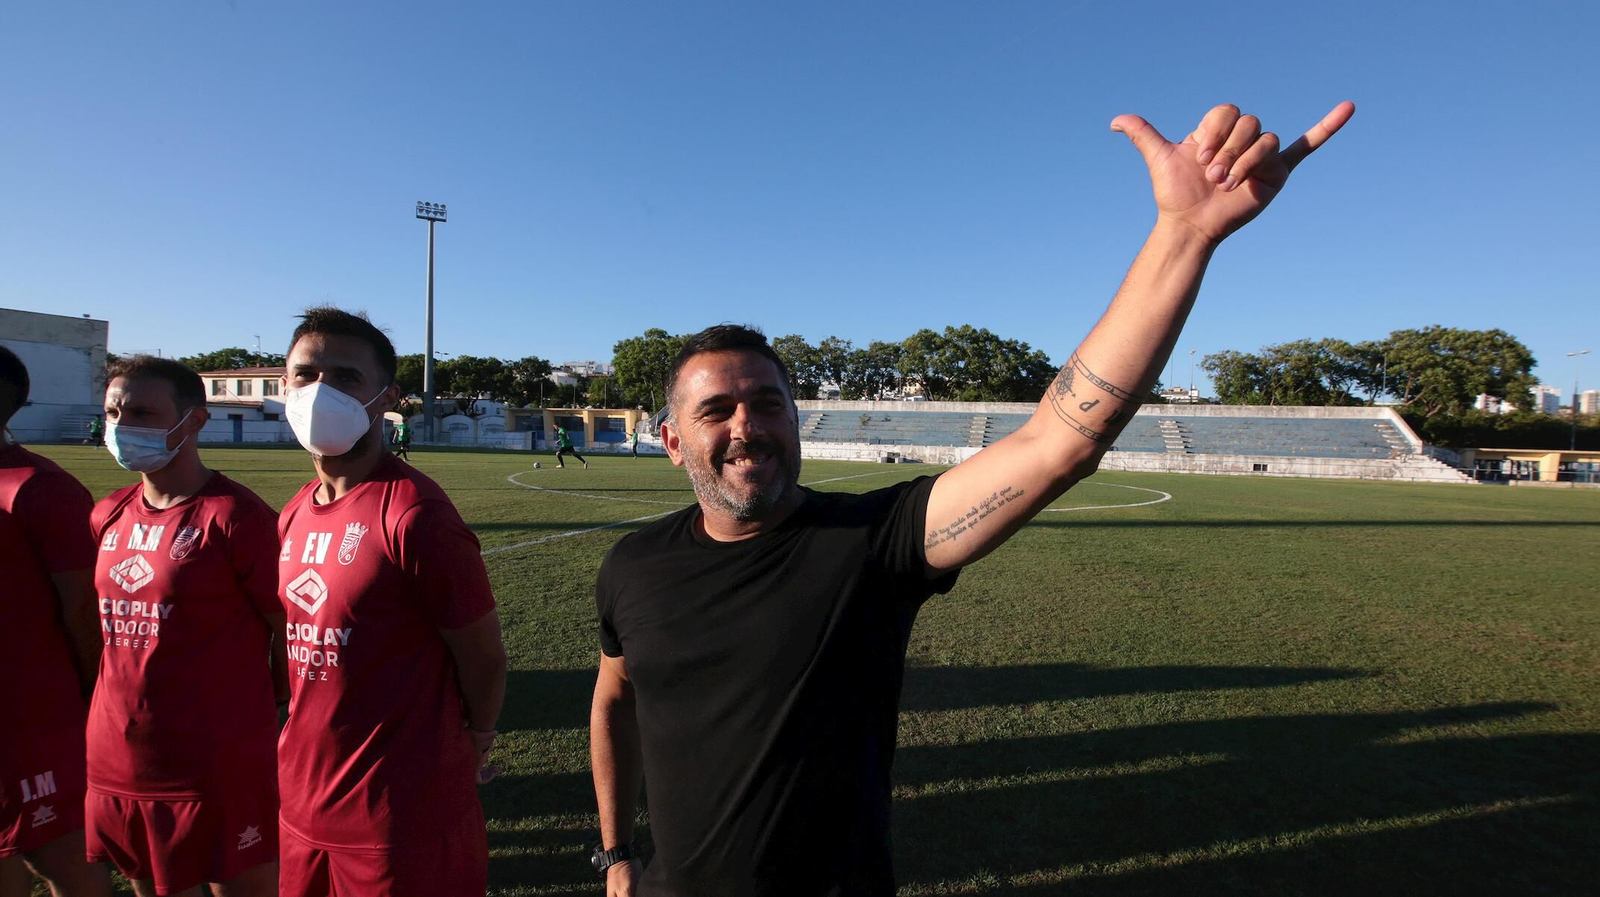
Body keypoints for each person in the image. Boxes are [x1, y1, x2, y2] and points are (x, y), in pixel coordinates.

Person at [589, 100, 1356, 895]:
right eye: (716, 410)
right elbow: (616, 696)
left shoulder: (869, 543)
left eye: (769, 402)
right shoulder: (632, 566)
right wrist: (616, 855)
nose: (748, 425)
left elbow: (1060, 441)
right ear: (673, 438)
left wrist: (1184, 236)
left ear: (795, 416)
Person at [276, 307, 507, 897]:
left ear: (385, 397)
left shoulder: (416, 515)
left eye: (346, 377)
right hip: (301, 805)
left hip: (399, 817)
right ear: (284, 387)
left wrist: (476, 737)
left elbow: (481, 658)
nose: (320, 390)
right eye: (305, 374)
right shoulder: (295, 511)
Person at [86, 355, 286, 897]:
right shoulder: (106, 513)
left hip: (215, 763)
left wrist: (264, 712)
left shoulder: (237, 518)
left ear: (194, 420)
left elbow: (287, 634)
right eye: (113, 411)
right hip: (119, 756)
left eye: (143, 412)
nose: (123, 425)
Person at [0, 346, 111, 897]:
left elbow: (83, 611)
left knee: (59, 858)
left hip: (33, 723)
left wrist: (96, 697)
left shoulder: (39, 489)